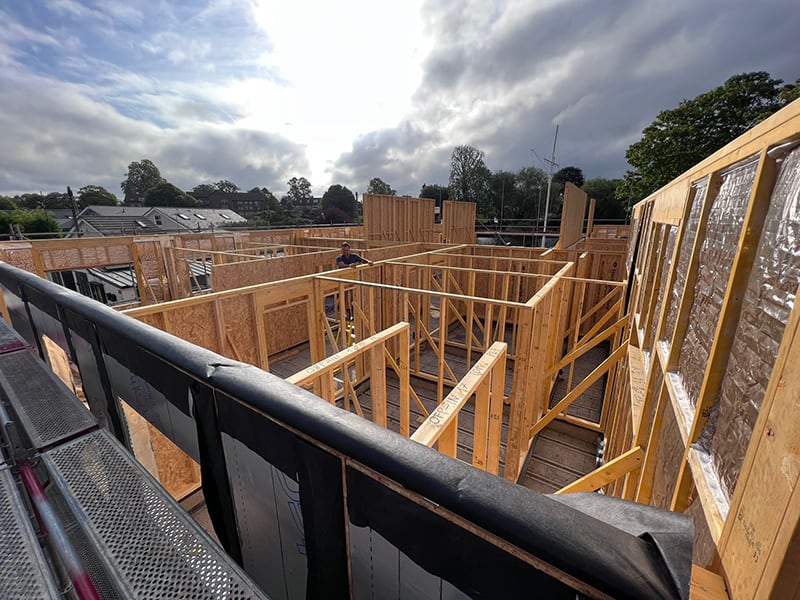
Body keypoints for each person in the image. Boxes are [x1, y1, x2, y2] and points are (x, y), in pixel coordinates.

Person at [335, 242, 372, 321]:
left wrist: (368, 261)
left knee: (353, 297)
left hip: (352, 280)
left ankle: (353, 313)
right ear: (342, 250)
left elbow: (362, 260)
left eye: (347, 250)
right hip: (342, 281)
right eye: (344, 251)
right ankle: (348, 312)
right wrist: (350, 265)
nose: (346, 252)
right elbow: (341, 264)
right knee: (344, 298)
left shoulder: (354, 256)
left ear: (349, 250)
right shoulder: (339, 258)